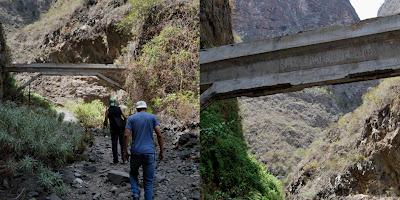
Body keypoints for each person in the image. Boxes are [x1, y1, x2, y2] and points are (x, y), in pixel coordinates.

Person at [124, 101, 164, 200]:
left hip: (136, 152)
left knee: (133, 174)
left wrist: (125, 151)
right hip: (149, 152)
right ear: (145, 108)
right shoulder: (152, 117)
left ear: (136, 109)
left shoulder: (131, 118)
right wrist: (162, 150)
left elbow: (126, 135)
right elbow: (159, 134)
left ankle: (136, 193)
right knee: (148, 182)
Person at [103, 97, 126, 164]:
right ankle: (123, 159)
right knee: (122, 144)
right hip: (121, 129)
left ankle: (115, 160)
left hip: (113, 129)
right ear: (115, 102)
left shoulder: (108, 110)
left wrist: (105, 125)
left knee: (114, 144)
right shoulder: (119, 109)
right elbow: (125, 117)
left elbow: (105, 121)